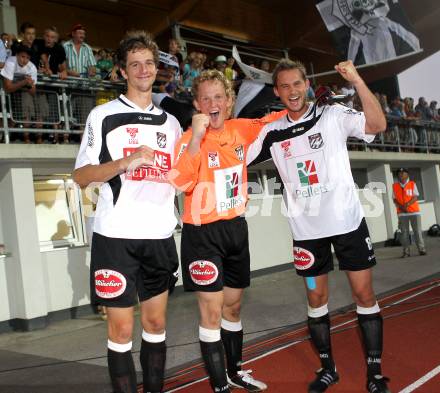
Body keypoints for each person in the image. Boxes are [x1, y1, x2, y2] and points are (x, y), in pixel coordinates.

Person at [247, 59, 390, 393]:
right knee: (316, 298)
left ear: (306, 84)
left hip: (348, 225)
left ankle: (374, 372)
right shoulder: (271, 131)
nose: (292, 91)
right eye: (285, 86)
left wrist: (356, 80)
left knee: (364, 294)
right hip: (307, 235)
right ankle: (327, 369)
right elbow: (234, 158)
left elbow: (378, 124)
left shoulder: (333, 114)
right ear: (277, 91)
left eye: (297, 84)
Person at [73, 30, 181, 393]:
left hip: (159, 236)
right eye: (134, 64)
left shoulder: (171, 123)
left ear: (156, 69)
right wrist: (124, 161)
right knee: (120, 330)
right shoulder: (103, 115)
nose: (143, 69)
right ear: (122, 71)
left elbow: (180, 176)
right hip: (116, 237)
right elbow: (81, 176)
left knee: (155, 324)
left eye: (149, 63)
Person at [170, 69, 285, 393]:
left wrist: (302, 104)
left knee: (232, 307)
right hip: (202, 234)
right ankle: (219, 385)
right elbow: (179, 181)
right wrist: (194, 137)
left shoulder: (241, 129)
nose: (212, 103)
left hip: (236, 229)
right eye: (205, 98)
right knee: (211, 311)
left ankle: (234, 371)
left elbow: (275, 119)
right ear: (196, 104)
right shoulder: (187, 139)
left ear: (230, 102)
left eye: (218, 97)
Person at [1, 44, 38, 143]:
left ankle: (23, 138)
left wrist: (29, 85)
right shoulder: (10, 62)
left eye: (27, 58)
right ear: (17, 55)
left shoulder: (32, 67)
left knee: (25, 107)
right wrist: (24, 82)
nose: (24, 60)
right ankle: (4, 137)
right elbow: (7, 88)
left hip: (19, 93)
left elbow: (33, 92)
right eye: (22, 56)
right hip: (3, 92)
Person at [392, 168, 426, 257]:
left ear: (407, 175)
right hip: (402, 213)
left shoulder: (412, 184)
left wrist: (406, 205)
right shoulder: (395, 186)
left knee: (417, 231)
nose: (401, 175)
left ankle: (421, 249)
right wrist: (401, 207)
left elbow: (415, 197)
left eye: (403, 173)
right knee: (404, 233)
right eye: (399, 173)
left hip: (414, 212)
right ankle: (406, 252)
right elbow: (394, 199)